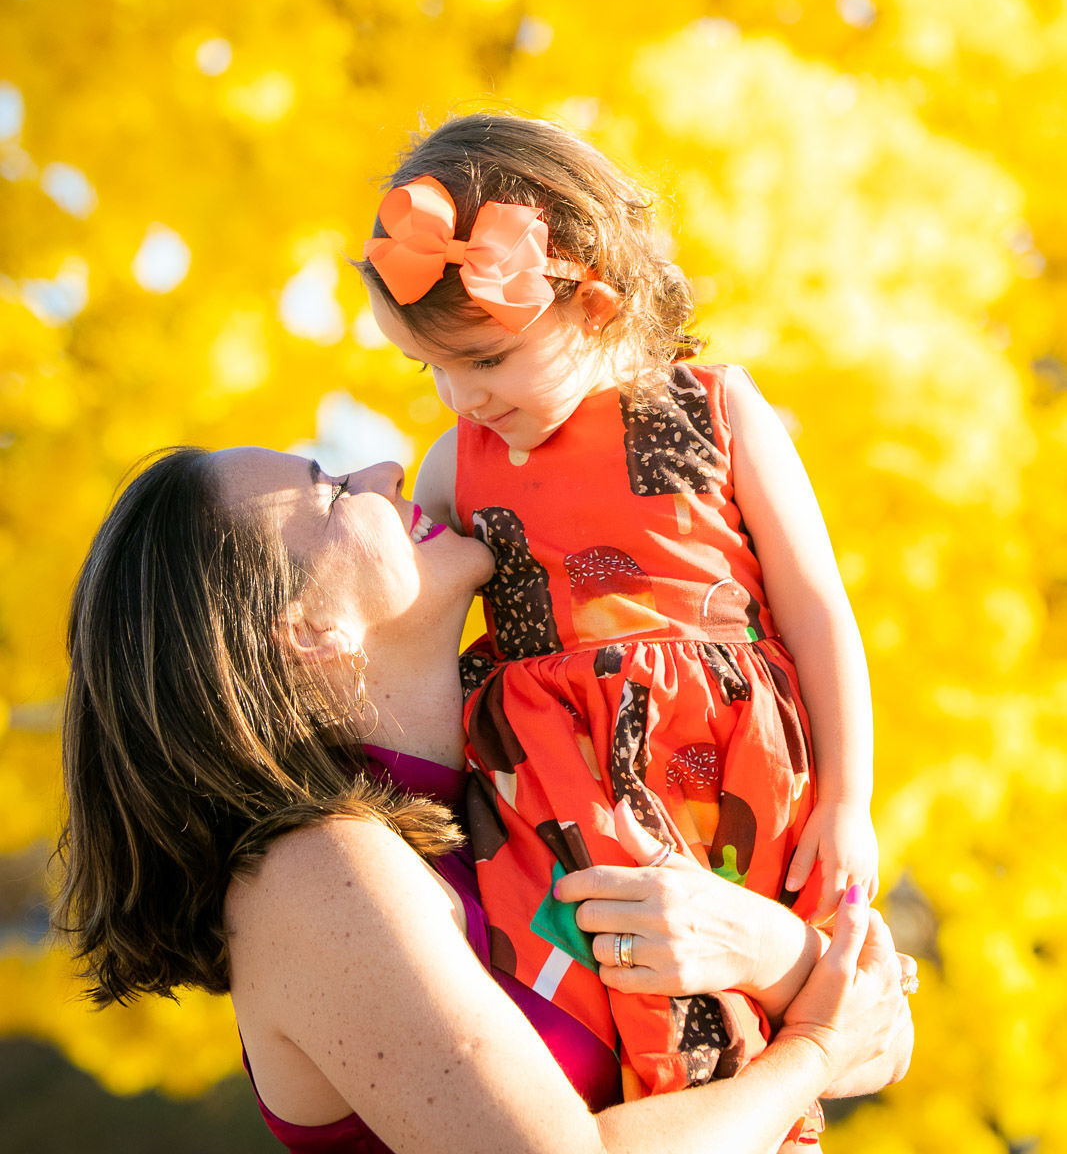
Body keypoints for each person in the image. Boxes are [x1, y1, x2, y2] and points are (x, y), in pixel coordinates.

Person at [56, 445, 913, 1154]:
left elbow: (886, 1031)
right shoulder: (314, 871)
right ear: (305, 631)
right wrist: (810, 1051)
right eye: (328, 491)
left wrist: (768, 951)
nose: (386, 469)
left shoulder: (538, 746)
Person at [360, 113, 878, 1125]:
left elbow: (817, 609)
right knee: (595, 992)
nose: (460, 395)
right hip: (552, 782)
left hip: (726, 764)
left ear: (591, 303)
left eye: (487, 360)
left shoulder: (718, 410)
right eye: (430, 367)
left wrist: (846, 798)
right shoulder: (453, 468)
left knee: (747, 1001)